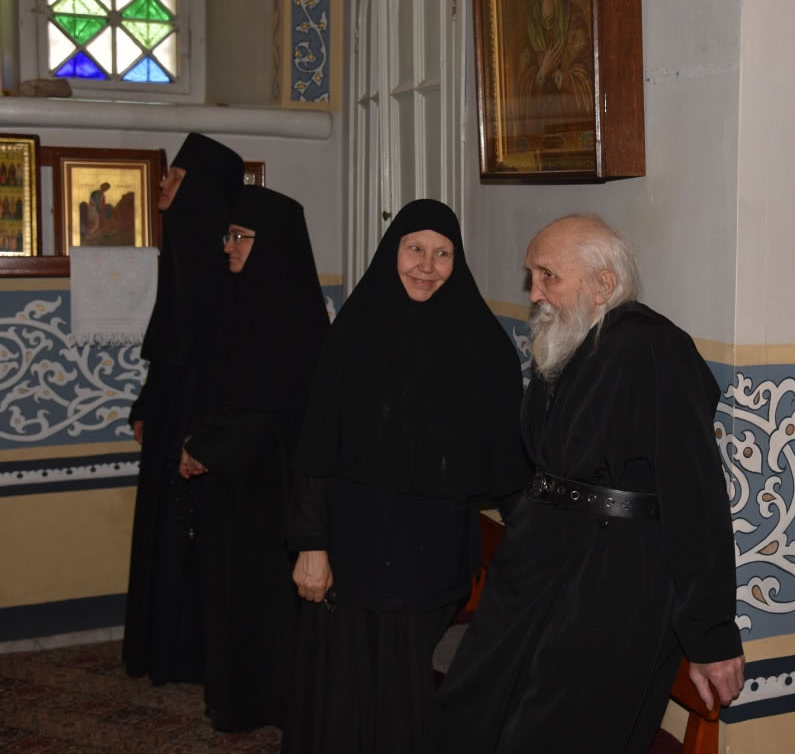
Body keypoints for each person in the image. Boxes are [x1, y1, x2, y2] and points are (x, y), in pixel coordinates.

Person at [433, 214, 745, 753]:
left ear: (603, 283)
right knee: (476, 714)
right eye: (532, 275)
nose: (534, 293)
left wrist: (711, 635)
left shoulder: (654, 348)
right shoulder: (566, 341)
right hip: (536, 563)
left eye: (548, 275)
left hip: (614, 582)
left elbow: (694, 495)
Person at [283, 199, 529, 753]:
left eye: (443, 254)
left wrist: (543, 539)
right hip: (356, 545)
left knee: (400, 684)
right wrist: (311, 545)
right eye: (415, 249)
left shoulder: (480, 342)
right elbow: (316, 448)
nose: (427, 265)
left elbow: (507, 458)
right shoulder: (354, 334)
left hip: (434, 555)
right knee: (347, 680)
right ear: (390, 253)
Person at [177, 186, 329, 731]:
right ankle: (240, 694)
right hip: (237, 485)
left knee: (266, 600)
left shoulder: (293, 318)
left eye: (241, 237)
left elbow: (267, 413)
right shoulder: (241, 304)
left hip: (274, 493)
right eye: (230, 235)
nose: (229, 246)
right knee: (233, 595)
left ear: (274, 244)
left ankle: (273, 701)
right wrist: (200, 442)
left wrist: (205, 450)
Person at [124, 133, 245, 685]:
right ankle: (160, 647)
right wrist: (149, 403)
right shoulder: (183, 255)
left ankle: (188, 653)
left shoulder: (227, 277)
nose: (162, 186)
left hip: (201, 428)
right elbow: (169, 351)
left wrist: (197, 437)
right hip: (173, 416)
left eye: (173, 178)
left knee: (191, 535)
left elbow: (216, 369)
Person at [515, 0, 594, 137]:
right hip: (540, 136)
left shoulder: (573, 19)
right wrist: (542, 73)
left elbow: (587, 87)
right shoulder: (531, 27)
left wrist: (556, 74)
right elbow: (520, 94)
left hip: (571, 133)